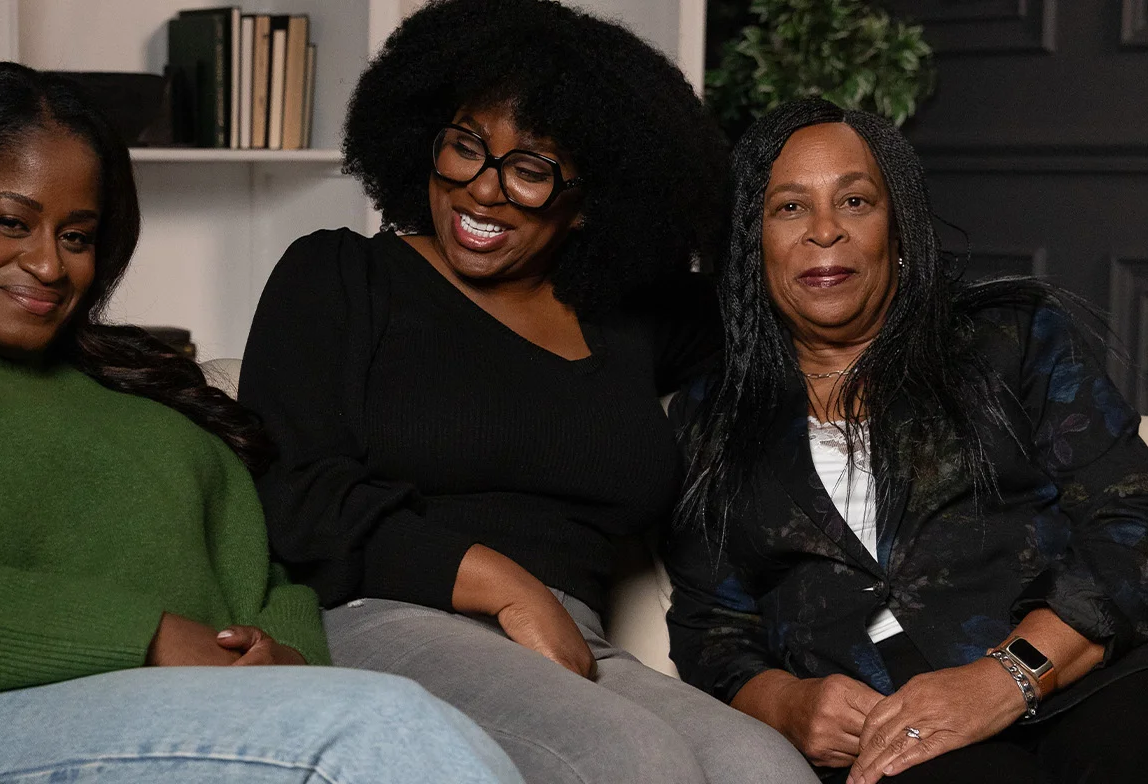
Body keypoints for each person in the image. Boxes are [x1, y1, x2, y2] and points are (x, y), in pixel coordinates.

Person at [0, 61, 522, 784]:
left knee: (387, 723)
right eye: (11, 223)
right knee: (379, 730)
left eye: (78, 234)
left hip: (191, 721)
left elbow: (258, 575)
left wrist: (281, 653)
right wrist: (145, 637)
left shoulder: (137, 392)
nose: (51, 264)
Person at [238, 1, 816, 782]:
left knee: (761, 767)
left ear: (590, 202)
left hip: (574, 639)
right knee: (630, 758)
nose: (484, 190)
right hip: (379, 617)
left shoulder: (623, 317)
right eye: (466, 148)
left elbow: (783, 309)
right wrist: (503, 585)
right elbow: (289, 489)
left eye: (532, 168)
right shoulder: (341, 276)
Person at [665, 97, 1148, 784]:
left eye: (854, 201)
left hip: (1088, 679)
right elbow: (710, 629)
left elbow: (1130, 520)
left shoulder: (1010, 339)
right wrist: (788, 703)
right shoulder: (708, 418)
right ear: (752, 243)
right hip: (893, 736)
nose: (823, 232)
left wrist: (1007, 675)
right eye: (789, 208)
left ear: (895, 230)